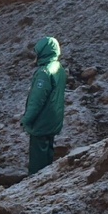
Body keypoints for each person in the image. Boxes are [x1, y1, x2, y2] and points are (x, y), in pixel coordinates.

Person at [21, 36, 67, 175]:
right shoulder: (59, 68)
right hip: (54, 118)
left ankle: (35, 185)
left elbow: (37, 100)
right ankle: (48, 180)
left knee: (38, 157)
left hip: (42, 121)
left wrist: (27, 119)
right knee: (48, 151)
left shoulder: (44, 72)